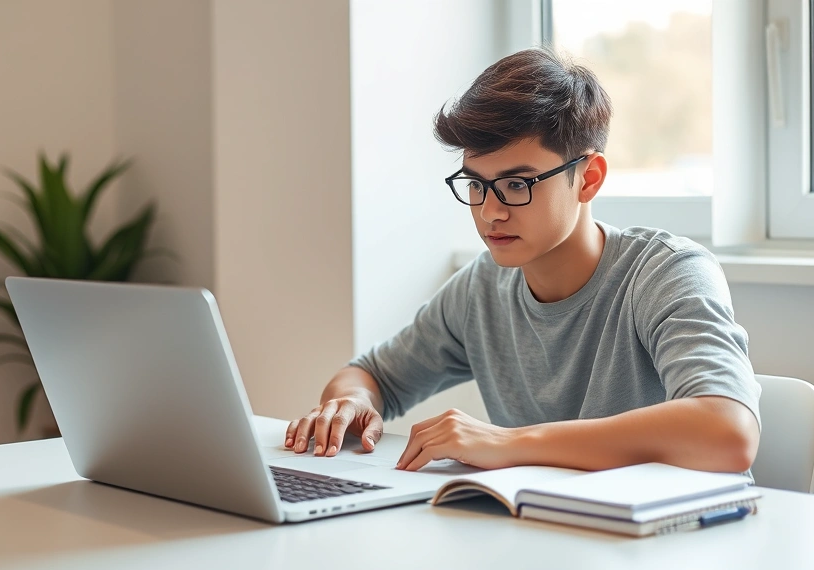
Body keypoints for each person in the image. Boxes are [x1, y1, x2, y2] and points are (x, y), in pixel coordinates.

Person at [284, 48, 761, 473]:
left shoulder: (666, 272)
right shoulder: (481, 289)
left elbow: (728, 432)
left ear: (589, 178)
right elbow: (372, 375)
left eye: (518, 184)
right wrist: (349, 402)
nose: (491, 211)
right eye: (476, 184)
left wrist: (509, 444)